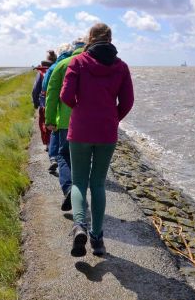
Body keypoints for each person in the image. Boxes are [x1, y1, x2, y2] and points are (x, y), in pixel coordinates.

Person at [60, 23, 134, 257]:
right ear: (110, 39)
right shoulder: (121, 66)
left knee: (79, 181)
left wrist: (81, 111)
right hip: (106, 131)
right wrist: (112, 117)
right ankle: (97, 239)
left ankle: (80, 225)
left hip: (81, 129)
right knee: (98, 183)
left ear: (90, 38)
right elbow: (128, 101)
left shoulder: (78, 62)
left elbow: (66, 96)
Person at [45, 38, 86, 211]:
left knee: (63, 156)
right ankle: (79, 193)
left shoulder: (61, 65)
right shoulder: (90, 63)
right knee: (82, 160)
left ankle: (69, 188)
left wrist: (49, 119)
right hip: (88, 121)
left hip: (65, 121)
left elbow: (51, 94)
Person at [43, 43, 72, 173]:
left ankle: (53, 157)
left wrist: (48, 119)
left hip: (60, 107)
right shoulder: (78, 62)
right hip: (77, 114)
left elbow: (47, 87)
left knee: (55, 131)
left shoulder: (57, 66)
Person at [31, 50, 56, 148]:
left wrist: (35, 102)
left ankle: (48, 144)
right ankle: (54, 144)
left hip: (44, 102)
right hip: (56, 101)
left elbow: (35, 89)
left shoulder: (41, 72)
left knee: (44, 123)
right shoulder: (58, 68)